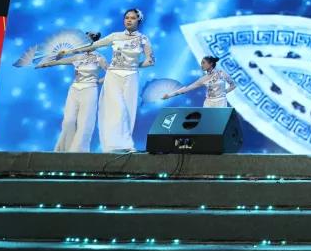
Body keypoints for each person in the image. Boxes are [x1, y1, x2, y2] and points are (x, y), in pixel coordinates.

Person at [58, 8, 154, 152]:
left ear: (138, 20)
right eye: (127, 17)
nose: (129, 20)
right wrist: (69, 52)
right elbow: (93, 45)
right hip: (113, 75)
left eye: (133, 18)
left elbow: (150, 61)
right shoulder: (115, 36)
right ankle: (111, 145)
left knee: (127, 109)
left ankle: (125, 144)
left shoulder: (143, 39)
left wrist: (134, 65)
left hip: (131, 76)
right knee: (115, 109)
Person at [36, 31, 108, 152]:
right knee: (68, 121)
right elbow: (58, 61)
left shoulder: (99, 58)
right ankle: (66, 148)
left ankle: (79, 150)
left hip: (90, 90)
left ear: (94, 42)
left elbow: (110, 73)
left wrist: (99, 81)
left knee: (85, 121)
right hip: (74, 89)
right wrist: (46, 64)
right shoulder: (77, 57)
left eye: (88, 40)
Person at [163, 56, 236, 107]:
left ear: (211, 64)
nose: (201, 65)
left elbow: (233, 85)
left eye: (203, 63)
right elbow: (186, 89)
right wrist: (169, 95)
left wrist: (223, 92)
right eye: (201, 63)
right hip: (209, 103)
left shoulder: (221, 73)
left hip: (221, 102)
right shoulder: (203, 79)